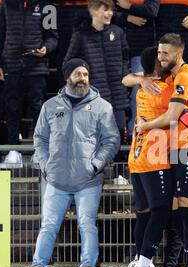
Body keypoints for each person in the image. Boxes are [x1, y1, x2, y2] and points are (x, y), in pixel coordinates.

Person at [28, 58, 120, 267]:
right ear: (68, 77)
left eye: (86, 75)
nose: (83, 79)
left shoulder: (102, 106)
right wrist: (46, 164)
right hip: (56, 179)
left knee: (87, 224)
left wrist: (96, 165)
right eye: (78, 74)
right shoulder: (50, 106)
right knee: (48, 225)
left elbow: (112, 140)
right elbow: (39, 138)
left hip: (88, 180)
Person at [133, 33, 188, 267]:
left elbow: (172, 115)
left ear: (179, 52)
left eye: (165, 53)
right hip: (173, 148)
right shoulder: (172, 77)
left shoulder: (185, 75)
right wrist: (139, 79)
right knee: (177, 209)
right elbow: (127, 79)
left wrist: (145, 126)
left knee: (187, 208)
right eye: (159, 53)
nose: (161, 57)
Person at [125, 46, 173, 267]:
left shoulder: (142, 85)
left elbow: (125, 78)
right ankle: (144, 264)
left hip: (137, 156)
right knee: (162, 210)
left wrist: (139, 78)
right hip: (155, 157)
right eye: (162, 57)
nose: (166, 59)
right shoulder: (162, 88)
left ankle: (137, 262)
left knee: (144, 212)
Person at [63, 0, 130, 171]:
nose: (109, 14)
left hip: (118, 95)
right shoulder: (81, 35)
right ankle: (91, 174)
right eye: (105, 10)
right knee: (92, 138)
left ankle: (119, 174)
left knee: (120, 134)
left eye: (111, 10)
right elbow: (67, 64)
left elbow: (125, 57)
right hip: (93, 98)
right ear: (93, 10)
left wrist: (123, 75)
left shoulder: (118, 32)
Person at [0, 0, 58, 168]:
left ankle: (39, 151)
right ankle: (13, 151)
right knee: (12, 109)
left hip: (36, 66)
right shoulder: (5, 4)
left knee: (38, 109)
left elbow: (52, 37)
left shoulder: (46, 5)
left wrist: (45, 49)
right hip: (11, 66)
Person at [115, 0, 160, 142]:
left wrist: (129, 6)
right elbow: (103, 12)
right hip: (113, 49)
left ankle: (135, 131)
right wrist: (127, 17)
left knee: (138, 90)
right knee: (115, 90)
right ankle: (116, 134)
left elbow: (151, 11)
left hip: (141, 50)